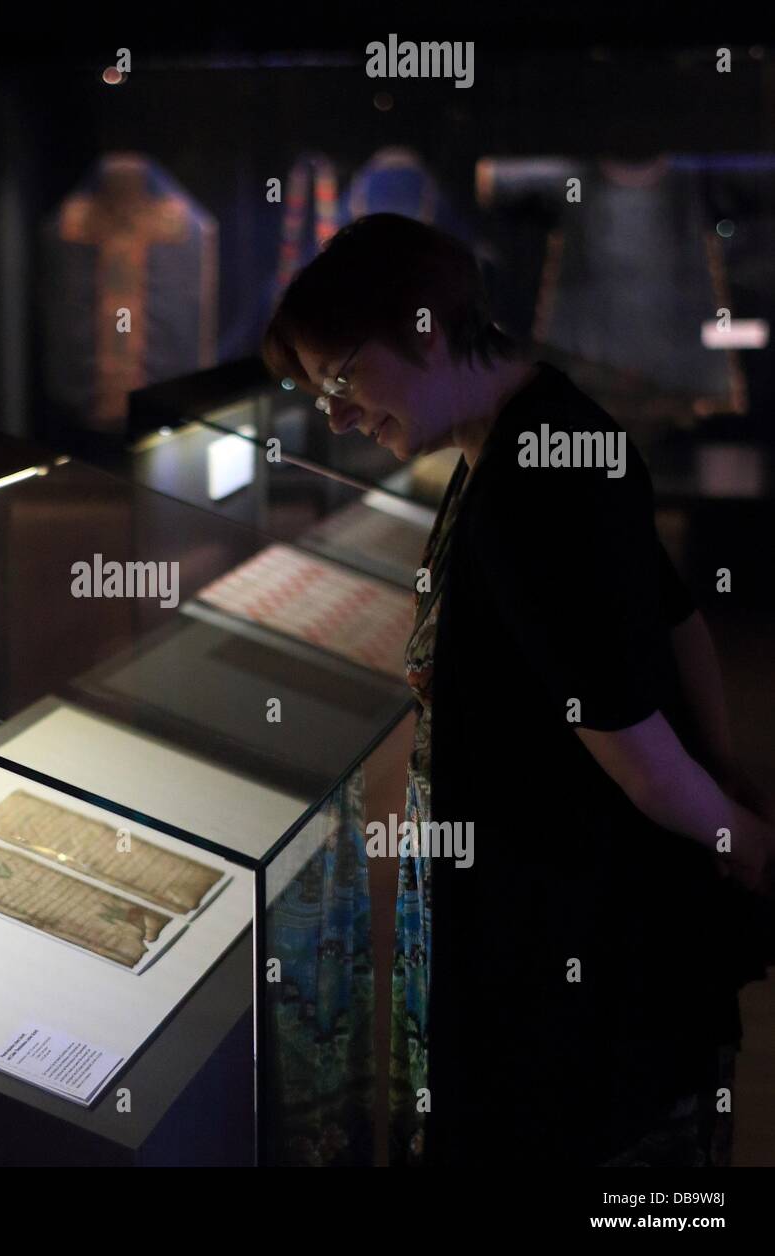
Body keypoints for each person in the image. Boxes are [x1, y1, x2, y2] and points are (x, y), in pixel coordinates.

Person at [262, 212, 775, 1166]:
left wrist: (743, 841)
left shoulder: (526, 489)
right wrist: (726, 778)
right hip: (576, 921)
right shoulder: (542, 425)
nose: (333, 415)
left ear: (422, 328)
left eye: (340, 379)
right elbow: (679, 622)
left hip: (568, 946)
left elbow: (635, 751)